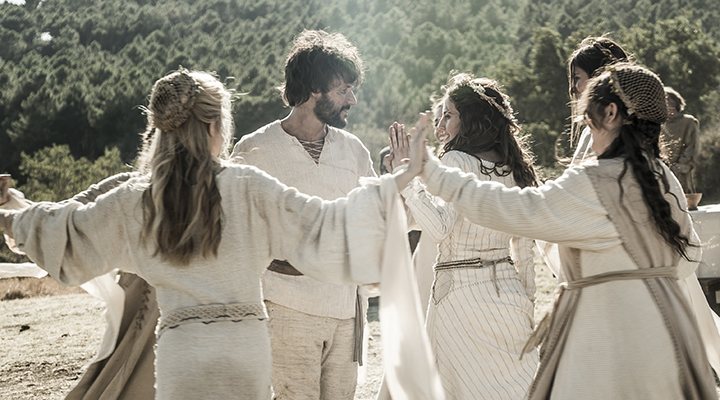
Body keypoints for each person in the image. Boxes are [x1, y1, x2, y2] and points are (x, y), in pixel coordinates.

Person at [0, 69, 425, 400]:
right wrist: (395, 183)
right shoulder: (248, 186)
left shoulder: (139, 200)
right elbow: (329, 222)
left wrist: (11, 213)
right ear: (216, 126)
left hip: (183, 352)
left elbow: (68, 235)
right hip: (245, 350)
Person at [415, 63, 716, 399]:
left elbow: (513, 209)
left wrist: (431, 172)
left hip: (607, 333)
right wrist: (645, 276)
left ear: (612, 113)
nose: (589, 134)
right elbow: (690, 256)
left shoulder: (593, 181)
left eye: (589, 122)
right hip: (670, 331)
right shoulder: (662, 177)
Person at [230, 30, 374, 400]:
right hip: (286, 309)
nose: (352, 99)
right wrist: (285, 264)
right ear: (314, 90)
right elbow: (237, 230)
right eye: (343, 90)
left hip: (347, 311)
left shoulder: (354, 150)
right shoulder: (255, 149)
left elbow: (374, 217)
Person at [389, 73, 539, 399]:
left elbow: (440, 228)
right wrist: (527, 297)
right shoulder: (513, 168)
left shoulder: (456, 160)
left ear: (471, 118)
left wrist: (410, 176)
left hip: (460, 296)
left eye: (449, 115)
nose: (441, 124)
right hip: (510, 293)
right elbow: (524, 242)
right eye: (440, 115)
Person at [1, 173, 158, 399]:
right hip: (144, 313)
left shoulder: (219, 182)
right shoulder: (132, 186)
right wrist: (11, 205)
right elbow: (65, 222)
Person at [565, 36, 629, 165]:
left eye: (577, 78)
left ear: (598, 80)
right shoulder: (590, 132)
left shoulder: (606, 136)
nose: (572, 88)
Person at [662, 86, 700, 193]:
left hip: (683, 169)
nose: (668, 105)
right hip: (664, 171)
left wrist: (679, 166)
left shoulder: (689, 122)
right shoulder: (659, 125)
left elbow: (692, 147)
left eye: (670, 101)